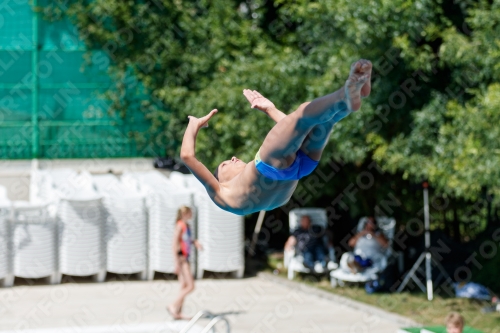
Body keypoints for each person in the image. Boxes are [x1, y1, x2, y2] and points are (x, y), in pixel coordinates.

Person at [181, 59, 372, 215]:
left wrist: (271, 109)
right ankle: (345, 92)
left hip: (301, 167)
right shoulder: (221, 193)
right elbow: (187, 156)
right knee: (303, 116)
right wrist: (193, 125)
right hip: (274, 166)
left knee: (324, 120)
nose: (232, 158)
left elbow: (296, 130)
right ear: (220, 181)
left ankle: (349, 99)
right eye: (224, 165)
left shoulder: (252, 200)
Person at [167, 206, 202, 320]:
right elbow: (174, 244)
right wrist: (176, 262)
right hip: (182, 259)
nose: (191, 214)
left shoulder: (187, 226)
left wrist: (195, 242)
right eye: (190, 212)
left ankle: (178, 312)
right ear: (184, 214)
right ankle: (173, 305)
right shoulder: (179, 226)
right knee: (191, 286)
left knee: (184, 285)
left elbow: (186, 240)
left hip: (186, 257)